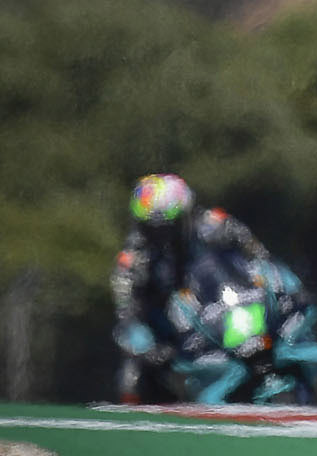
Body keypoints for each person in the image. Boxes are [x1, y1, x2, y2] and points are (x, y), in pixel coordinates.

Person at [109, 173, 276, 404]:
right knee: (132, 377)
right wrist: (148, 347)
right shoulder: (133, 259)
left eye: (168, 227)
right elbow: (126, 314)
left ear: (186, 215)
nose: (161, 236)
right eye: (151, 228)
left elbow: (261, 257)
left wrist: (272, 285)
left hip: (227, 310)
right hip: (174, 337)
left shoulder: (216, 225)